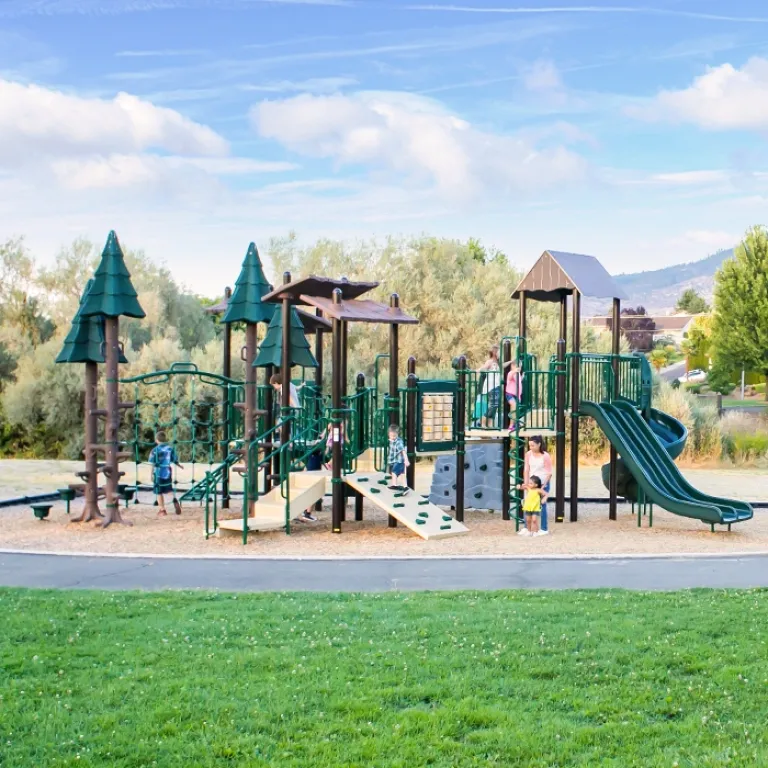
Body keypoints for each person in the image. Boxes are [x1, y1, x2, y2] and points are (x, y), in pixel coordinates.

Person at [519, 436, 553, 536]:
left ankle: (543, 528)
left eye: (533, 445)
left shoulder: (545, 456)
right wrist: (526, 483)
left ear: (539, 444)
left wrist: (544, 486)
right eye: (530, 445)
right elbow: (526, 469)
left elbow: (549, 472)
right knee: (528, 504)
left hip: (542, 483)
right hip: (531, 483)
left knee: (541, 505)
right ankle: (527, 528)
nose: (531, 447)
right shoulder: (528, 454)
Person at [148, 431, 183, 517]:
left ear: (156, 440)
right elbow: (174, 460)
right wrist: (179, 465)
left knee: (159, 492)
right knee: (169, 489)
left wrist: (151, 474)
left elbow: (152, 463)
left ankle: (162, 510)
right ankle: (174, 500)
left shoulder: (154, 450)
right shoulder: (170, 449)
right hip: (167, 472)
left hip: (158, 473)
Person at [478, 345, 502, 428]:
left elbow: (503, 365)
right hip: (491, 385)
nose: (500, 353)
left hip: (497, 385)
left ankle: (490, 423)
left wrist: (510, 362)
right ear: (494, 352)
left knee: (496, 405)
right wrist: (477, 371)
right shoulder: (490, 361)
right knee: (493, 405)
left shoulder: (498, 362)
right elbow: (484, 367)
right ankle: (483, 421)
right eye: (498, 351)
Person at [387, 424, 409, 491]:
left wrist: (406, 460)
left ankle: (395, 485)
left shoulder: (398, 442)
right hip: (397, 460)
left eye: (394, 436)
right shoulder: (392, 441)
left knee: (394, 472)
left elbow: (403, 451)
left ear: (397, 434)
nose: (393, 437)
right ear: (389, 434)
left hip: (399, 461)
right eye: (391, 436)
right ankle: (405, 486)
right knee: (402, 474)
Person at [505, 360, 523, 432]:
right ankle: (511, 426)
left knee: (516, 410)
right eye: (517, 366)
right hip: (510, 394)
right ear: (512, 366)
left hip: (516, 395)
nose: (519, 368)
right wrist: (514, 371)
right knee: (514, 407)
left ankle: (515, 423)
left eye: (520, 367)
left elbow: (519, 385)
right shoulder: (511, 373)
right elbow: (509, 376)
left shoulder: (518, 374)